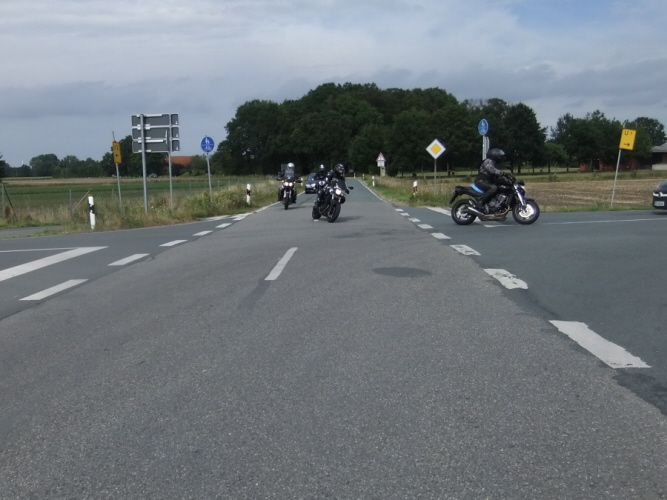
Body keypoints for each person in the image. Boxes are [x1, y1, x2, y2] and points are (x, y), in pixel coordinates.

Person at [474, 148, 506, 213]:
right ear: (495, 155)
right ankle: (480, 202)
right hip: (481, 181)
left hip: (487, 181)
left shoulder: (495, 163)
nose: (500, 158)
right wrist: (502, 173)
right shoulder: (488, 161)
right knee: (493, 188)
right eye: (499, 156)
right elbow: (491, 170)